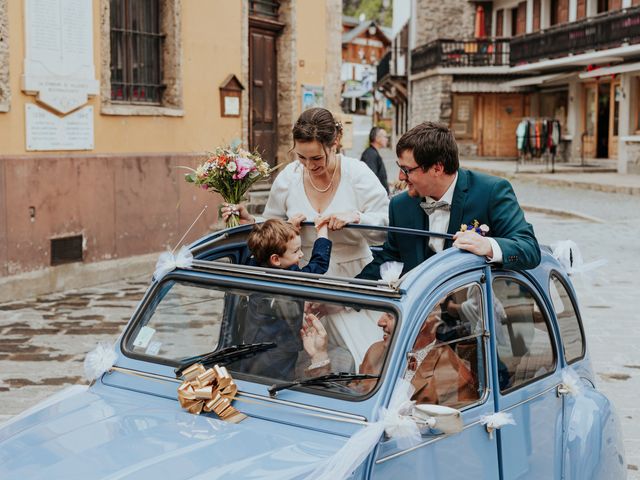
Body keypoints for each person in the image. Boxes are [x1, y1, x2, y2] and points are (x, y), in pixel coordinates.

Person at [222, 107, 390, 366]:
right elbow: (273, 227)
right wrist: (251, 221)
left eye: (316, 159)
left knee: (364, 362)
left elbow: (385, 230)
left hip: (352, 281)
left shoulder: (358, 174)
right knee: (298, 362)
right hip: (302, 283)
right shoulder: (288, 178)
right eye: (302, 157)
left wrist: (357, 218)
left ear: (334, 144)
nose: (310, 166)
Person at [358, 122, 541, 280]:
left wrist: (488, 246)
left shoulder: (491, 192)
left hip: (475, 313)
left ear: (437, 168)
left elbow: (529, 249)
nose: (399, 176)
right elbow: (389, 259)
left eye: (407, 170)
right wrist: (343, 297)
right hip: (418, 314)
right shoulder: (400, 206)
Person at [301, 310, 477, 408]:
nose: (379, 322)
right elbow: (352, 399)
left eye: (391, 316)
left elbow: (455, 444)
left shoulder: (452, 374)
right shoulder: (376, 351)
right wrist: (319, 356)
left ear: (420, 324)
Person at [239, 217, 331, 380]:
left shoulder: (253, 267)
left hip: (251, 344)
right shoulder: (291, 279)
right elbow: (319, 264)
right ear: (275, 259)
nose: (301, 254)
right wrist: (322, 232)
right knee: (278, 382)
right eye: (296, 251)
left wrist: (288, 228)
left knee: (248, 377)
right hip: (281, 351)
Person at [360, 127, 389, 193]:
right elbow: (371, 179)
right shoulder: (370, 154)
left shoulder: (372, 153)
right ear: (377, 138)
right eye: (385, 137)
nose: (387, 139)